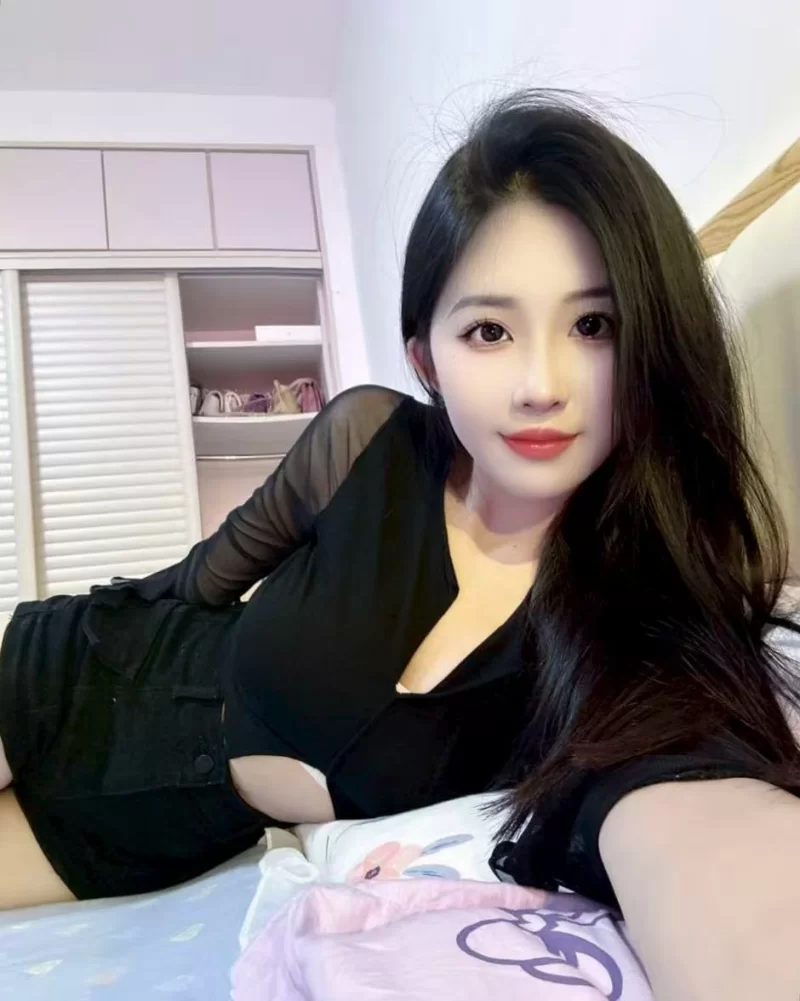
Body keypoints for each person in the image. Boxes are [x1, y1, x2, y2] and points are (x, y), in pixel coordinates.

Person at [1, 89, 799, 999]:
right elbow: (197, 582)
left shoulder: (639, 625)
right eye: (489, 330)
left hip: (153, 832)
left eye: (594, 325)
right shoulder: (365, 441)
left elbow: (709, 837)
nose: (541, 384)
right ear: (427, 357)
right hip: (71, 674)